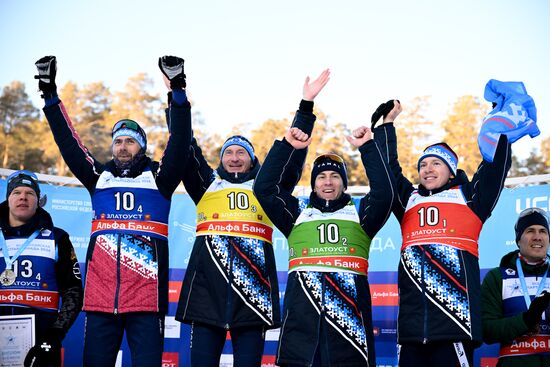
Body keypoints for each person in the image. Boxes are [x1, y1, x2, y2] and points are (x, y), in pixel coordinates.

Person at [34, 55, 191, 366]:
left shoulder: (159, 179)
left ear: (141, 148)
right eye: (118, 141)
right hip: (101, 300)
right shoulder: (99, 178)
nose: (122, 147)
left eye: (130, 142)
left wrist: (178, 91)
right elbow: (69, 143)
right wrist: (49, 95)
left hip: (146, 302)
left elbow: (181, 140)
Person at [253, 69, 395, 367]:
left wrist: (367, 147)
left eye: (334, 176)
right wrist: (291, 139)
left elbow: (384, 194)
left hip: (349, 337)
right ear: (314, 182)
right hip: (301, 338)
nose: (328, 182)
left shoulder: (360, 215)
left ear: (344, 183)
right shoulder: (296, 214)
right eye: (321, 177)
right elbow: (264, 189)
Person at [372, 100, 512, 367]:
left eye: (436, 163)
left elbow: (494, 169)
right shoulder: (409, 201)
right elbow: (388, 171)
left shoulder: (470, 198)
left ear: (451, 171)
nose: (428, 169)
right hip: (412, 333)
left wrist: (500, 126)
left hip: (454, 328)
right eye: (423, 165)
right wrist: (387, 126)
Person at [172, 91, 280, 367]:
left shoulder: (265, 190)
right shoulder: (207, 184)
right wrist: (176, 99)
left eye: (241, 153)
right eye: (228, 152)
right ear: (221, 159)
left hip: (252, 299)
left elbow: (288, 161)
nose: (234, 158)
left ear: (252, 159)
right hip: (207, 298)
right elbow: (186, 146)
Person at [0, 170, 83, 367]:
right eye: (16, 192)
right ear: (8, 199)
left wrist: (55, 336)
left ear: (38, 200)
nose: (23, 197)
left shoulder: (58, 238)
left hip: (41, 344)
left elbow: (73, 291)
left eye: (30, 193)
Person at [481, 207, 550, 367]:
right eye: (530, 231)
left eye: (543, 231)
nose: (537, 237)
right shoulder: (497, 277)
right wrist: (526, 321)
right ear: (518, 240)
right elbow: (486, 330)